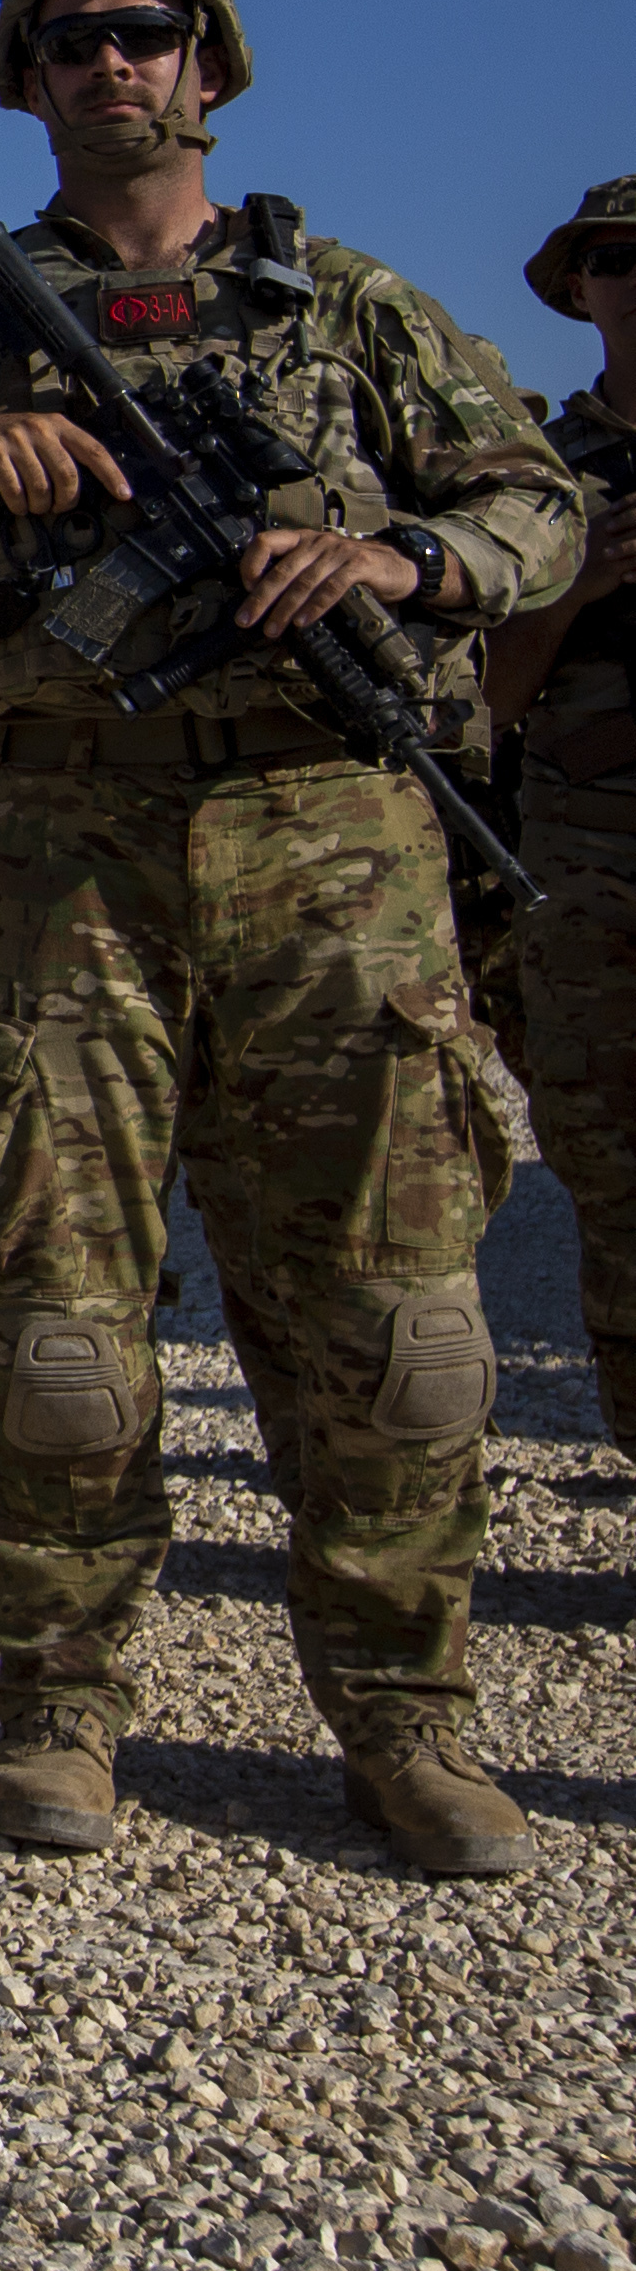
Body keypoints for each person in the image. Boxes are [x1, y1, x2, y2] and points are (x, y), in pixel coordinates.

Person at [0, 0, 580, 1870]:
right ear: (21, 80)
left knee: (391, 1318)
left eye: (145, 33)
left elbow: (535, 505)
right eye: (70, 38)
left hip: (337, 851)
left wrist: (400, 560)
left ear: (210, 70)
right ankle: (60, 1705)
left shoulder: (355, 308)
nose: (109, 62)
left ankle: (407, 1722)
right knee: (55, 1315)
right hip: (68, 851)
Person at [485, 175, 636, 1463]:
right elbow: (469, 702)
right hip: (592, 869)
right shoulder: (540, 478)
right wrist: (570, 591)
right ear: (580, 287)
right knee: (619, 1187)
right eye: (618, 257)